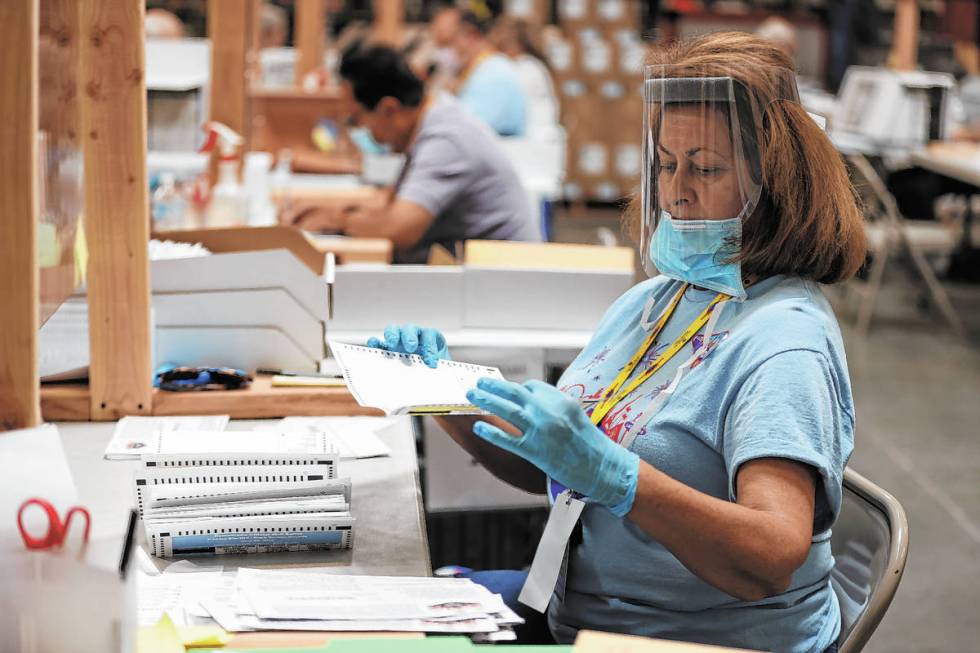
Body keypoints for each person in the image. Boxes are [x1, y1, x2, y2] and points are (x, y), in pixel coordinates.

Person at [367, 32, 867, 653]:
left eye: (705, 168)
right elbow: (556, 468)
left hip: (677, 640)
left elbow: (771, 556)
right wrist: (441, 394)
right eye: (664, 164)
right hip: (579, 615)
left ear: (777, 183)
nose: (677, 190)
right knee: (373, 619)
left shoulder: (785, 343)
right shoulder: (657, 302)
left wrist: (617, 475)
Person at [285, 44, 539, 263]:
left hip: (498, 290)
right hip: (477, 280)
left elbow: (399, 228)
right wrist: (326, 211)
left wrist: (337, 219)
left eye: (358, 119)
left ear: (389, 109)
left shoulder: (447, 139)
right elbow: (388, 202)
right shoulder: (432, 121)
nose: (361, 132)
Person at [450, 8, 528, 136]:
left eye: (454, 40)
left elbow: (463, 129)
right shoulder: (486, 68)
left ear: (471, 35)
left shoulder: (493, 74)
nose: (453, 50)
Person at [491, 16, 560, 137]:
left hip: (534, 137)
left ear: (518, 44)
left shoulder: (527, 68)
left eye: (503, 45)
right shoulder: (526, 66)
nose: (498, 51)